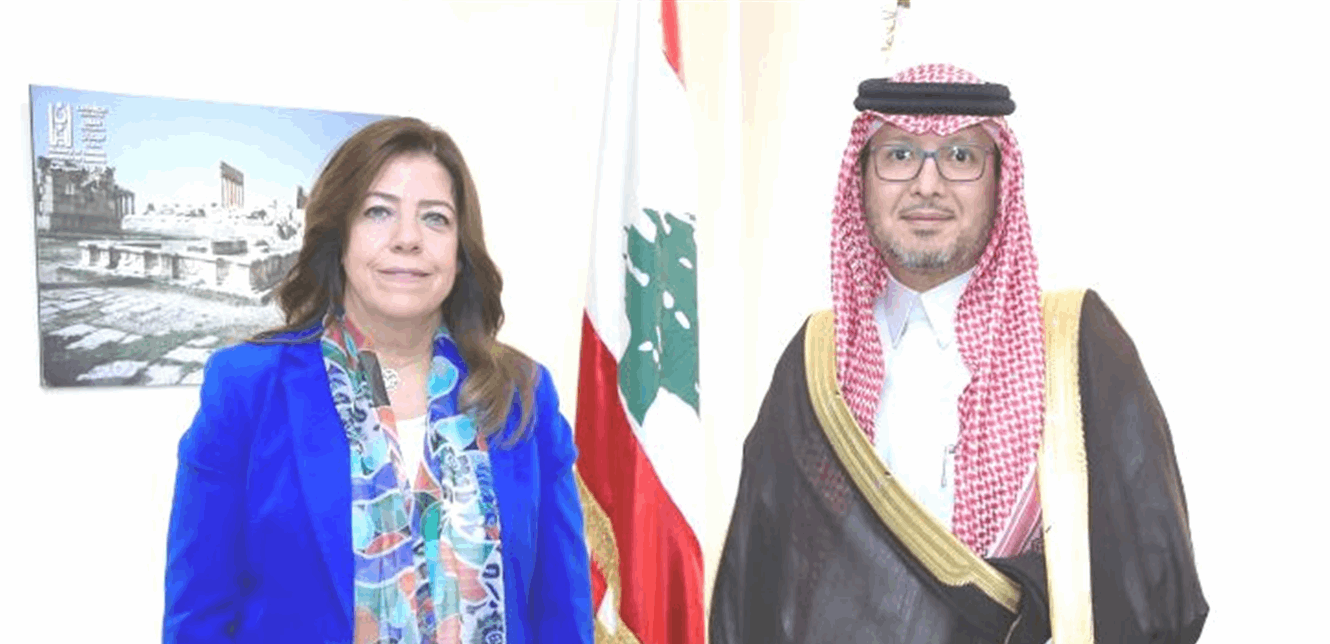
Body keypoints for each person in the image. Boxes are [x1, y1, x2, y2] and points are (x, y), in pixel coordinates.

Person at [709, 64, 1208, 644]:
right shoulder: (817, 364)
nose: (928, 184)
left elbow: (1153, 582)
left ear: (999, 179)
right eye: (899, 155)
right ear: (861, 178)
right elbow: (756, 590)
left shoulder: (1073, 346)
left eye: (961, 157)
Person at [163, 117, 593, 644]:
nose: (407, 239)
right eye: (378, 212)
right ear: (339, 236)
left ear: (460, 253)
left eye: (435, 218)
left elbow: (562, 616)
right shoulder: (246, 389)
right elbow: (199, 618)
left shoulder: (522, 394)